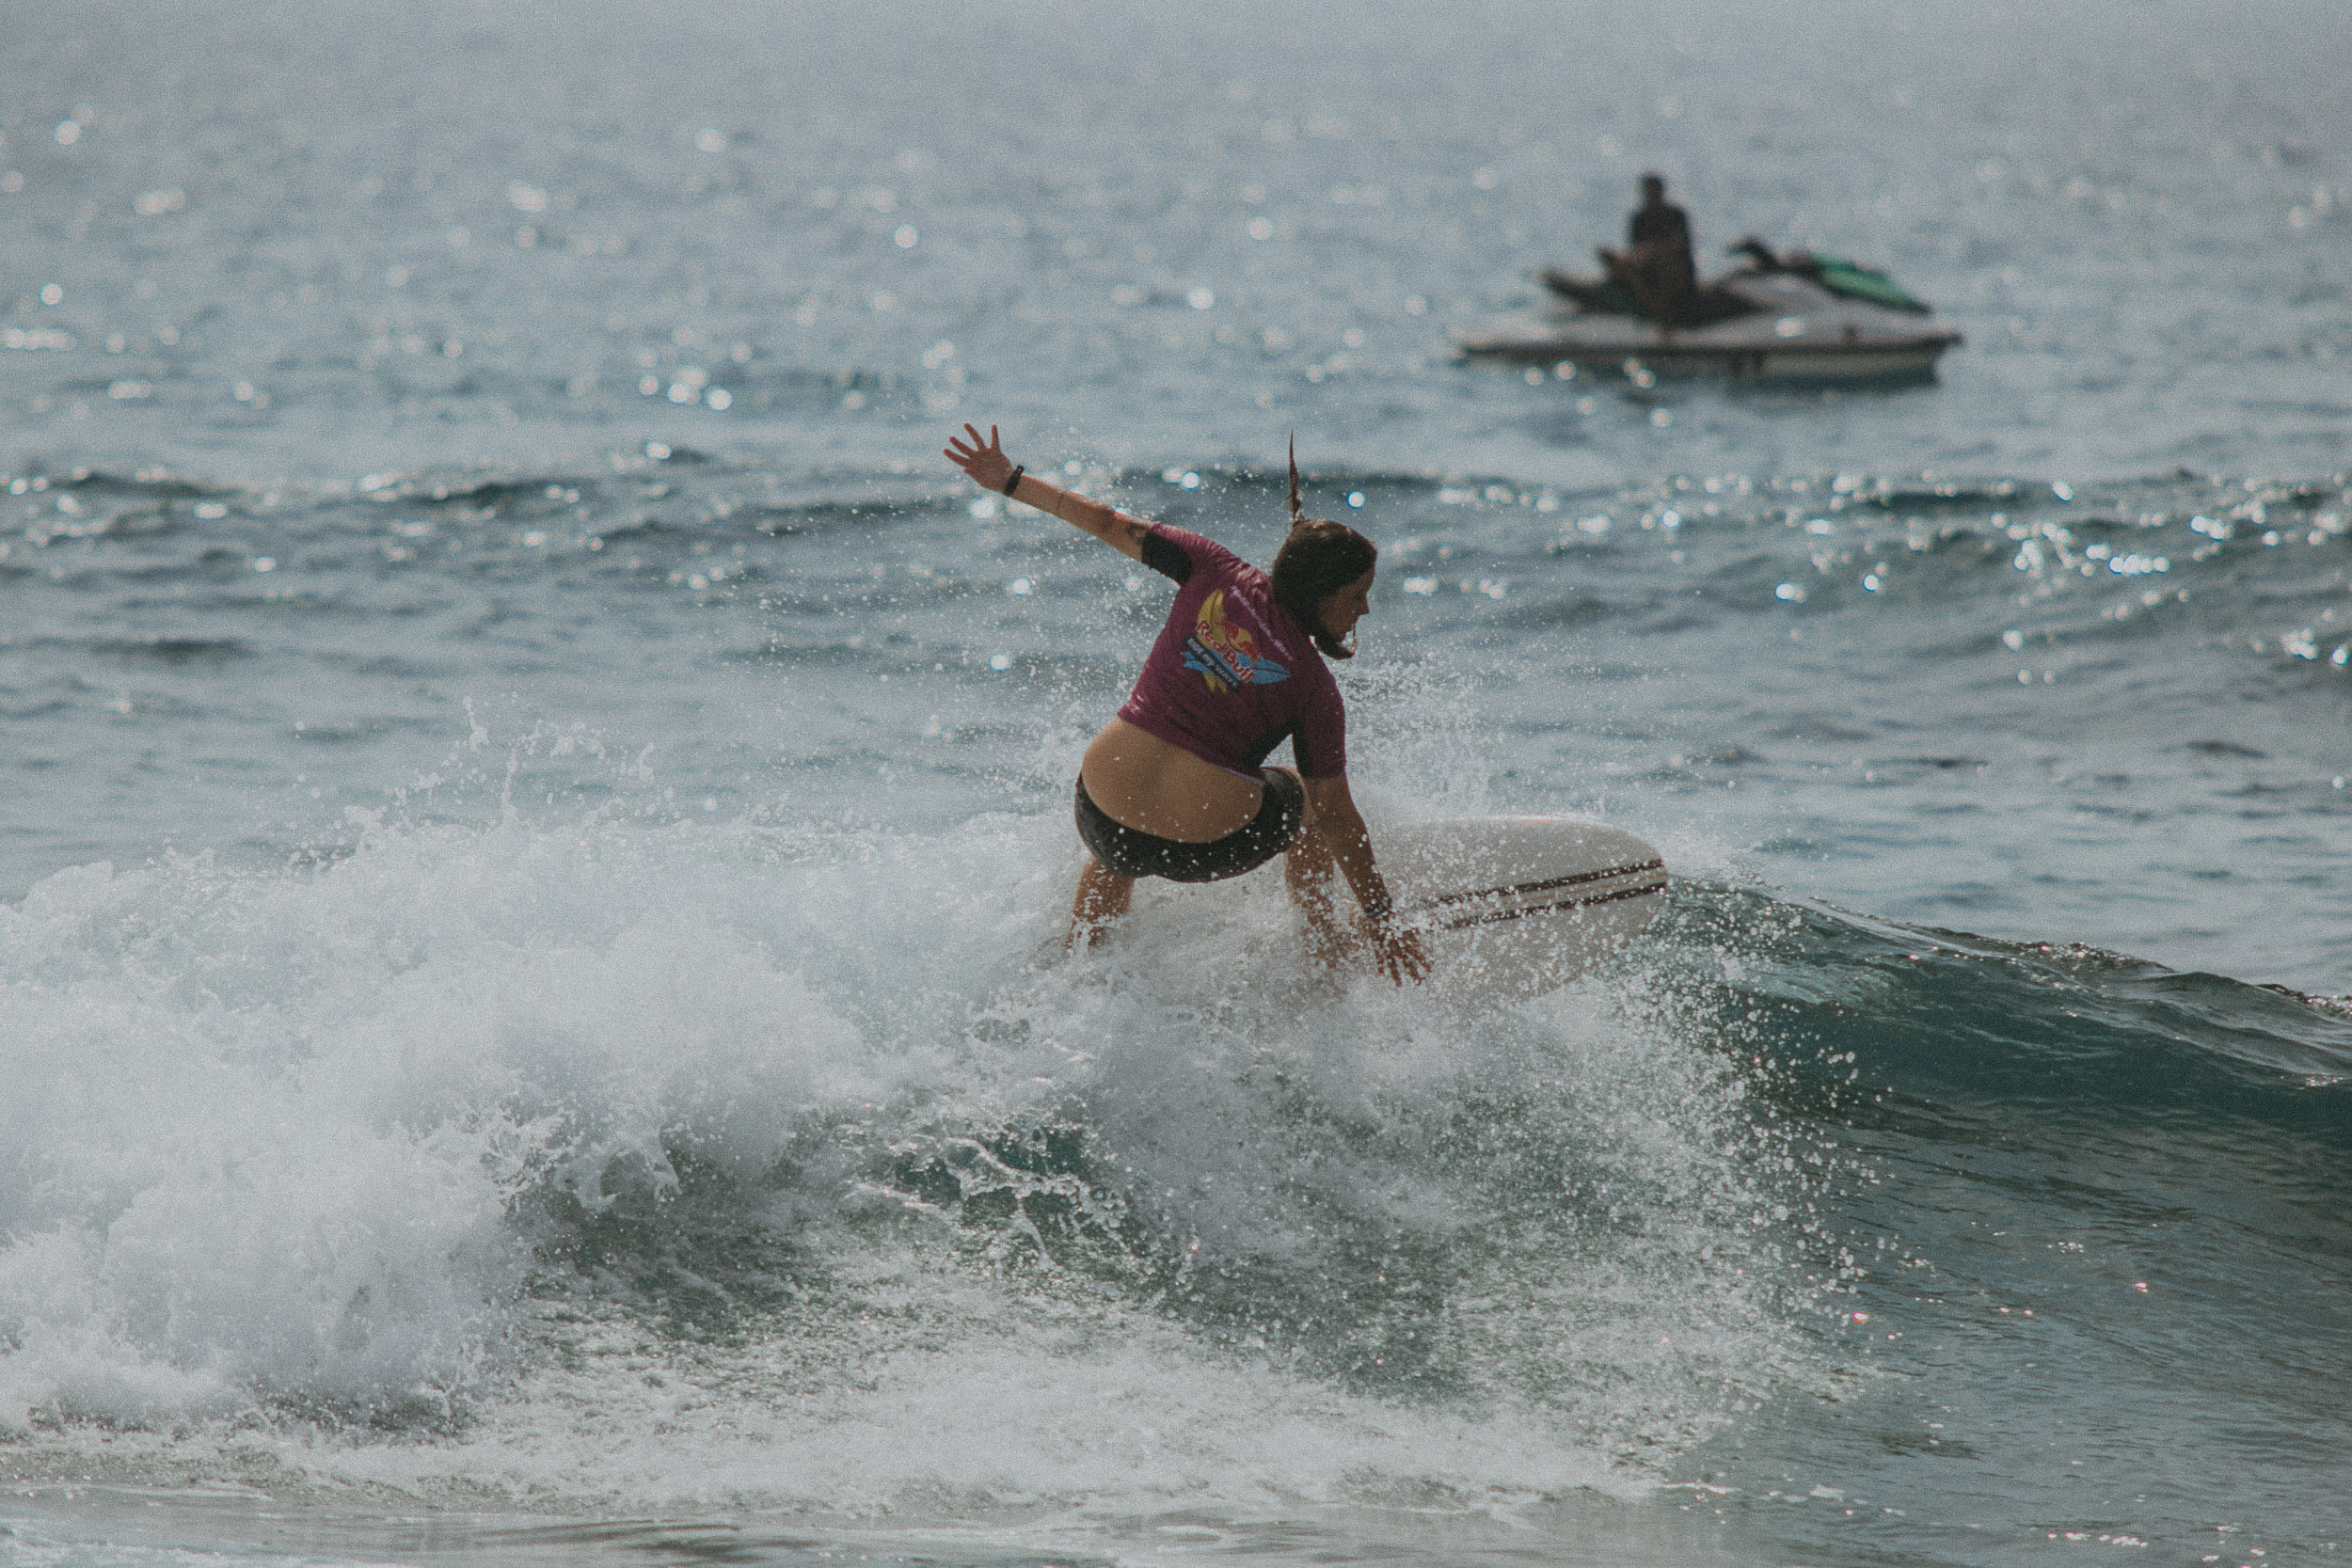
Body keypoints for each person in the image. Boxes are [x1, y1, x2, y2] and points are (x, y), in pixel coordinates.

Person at [943, 423, 1430, 987]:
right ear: (1320, 596)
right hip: (1206, 846)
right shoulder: (1315, 690)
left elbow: (1106, 521)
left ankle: (1074, 972)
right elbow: (1342, 816)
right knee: (1313, 808)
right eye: (1355, 595)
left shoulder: (1209, 567)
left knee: (1117, 850)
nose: (1365, 609)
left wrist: (1010, 481)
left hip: (1100, 812)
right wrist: (1381, 914)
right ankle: (1325, 961)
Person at [1597, 172, 1699, 325]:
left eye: (1653, 193)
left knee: (1663, 265)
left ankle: (1660, 311)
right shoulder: (1639, 218)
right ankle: (1649, 303)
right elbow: (1635, 250)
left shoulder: (1675, 215)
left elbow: (1680, 246)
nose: (1650, 197)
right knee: (1612, 258)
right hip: (1646, 266)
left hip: (1674, 268)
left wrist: (1654, 251)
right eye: (1647, 193)